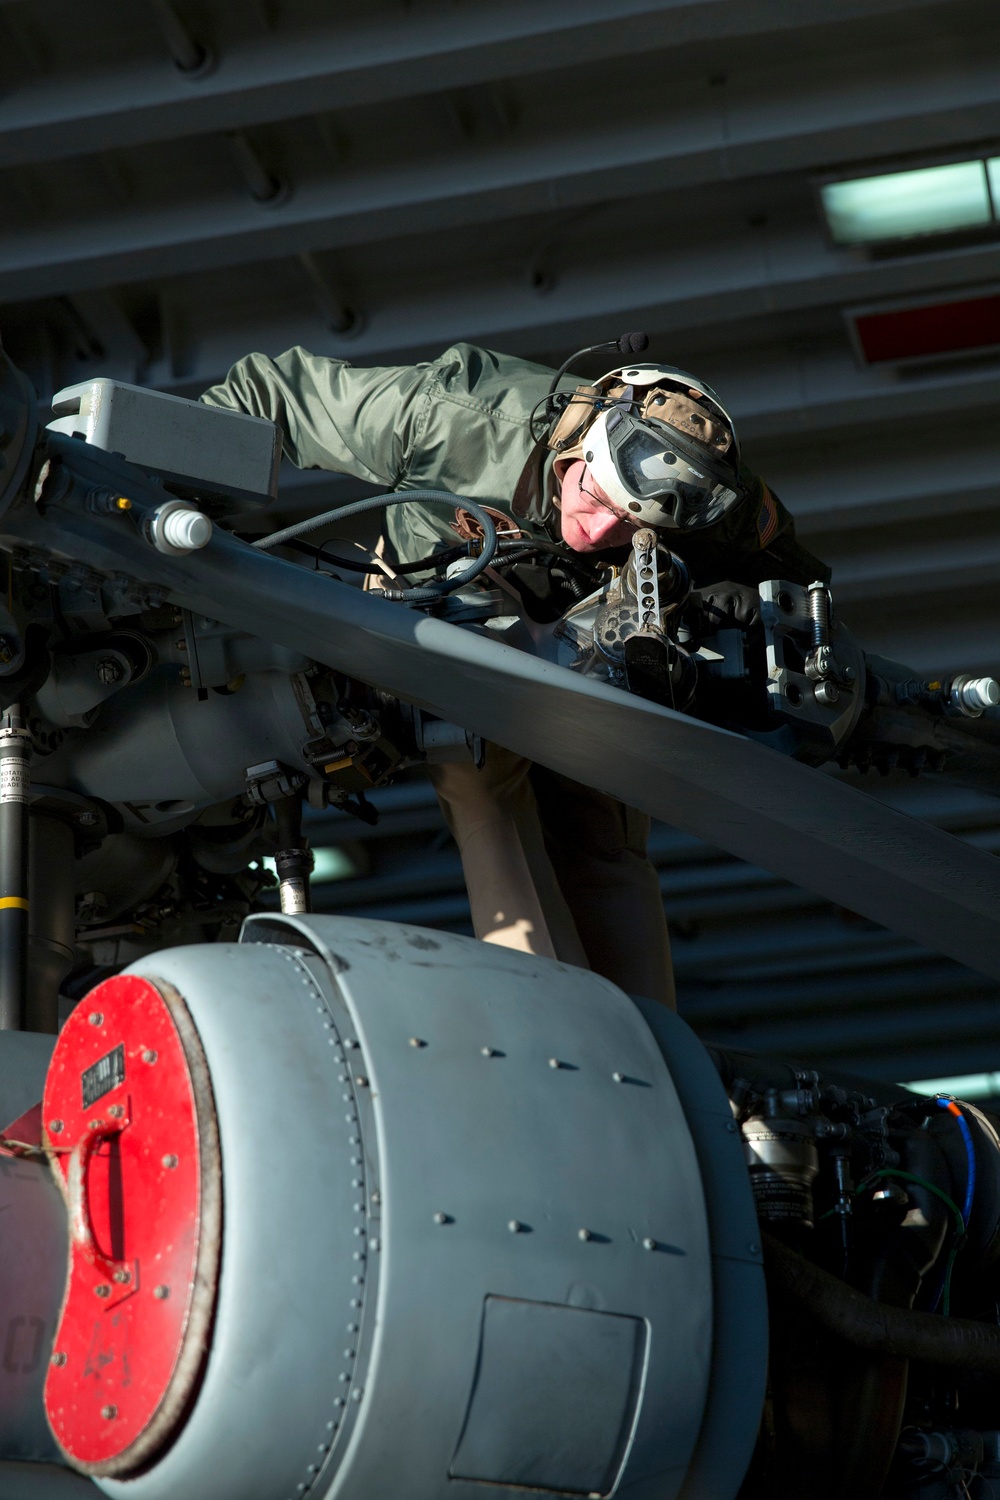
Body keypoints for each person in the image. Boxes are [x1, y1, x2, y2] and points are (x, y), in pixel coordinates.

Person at [201, 342, 827, 1008]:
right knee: (483, 786)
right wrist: (169, 520)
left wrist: (733, 605)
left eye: (630, 524)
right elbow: (267, 390)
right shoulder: (452, 416)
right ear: (581, 442)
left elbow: (802, 592)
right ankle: (564, 1030)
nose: (595, 532)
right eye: (595, 495)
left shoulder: (723, 502)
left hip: (592, 646)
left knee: (605, 838)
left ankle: (654, 1052)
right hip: (448, 627)